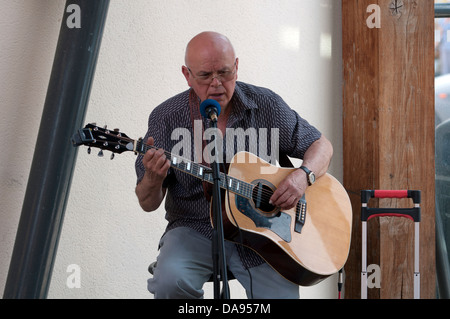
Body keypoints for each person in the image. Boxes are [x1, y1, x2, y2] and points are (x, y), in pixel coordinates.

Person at [135, 31, 333, 299]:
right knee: (170, 282)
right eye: (205, 75)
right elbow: (147, 202)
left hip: (265, 234)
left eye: (225, 73)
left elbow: (321, 146)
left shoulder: (266, 105)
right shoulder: (167, 117)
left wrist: (302, 176)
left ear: (237, 67)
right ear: (187, 74)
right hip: (195, 228)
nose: (216, 84)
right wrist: (153, 178)